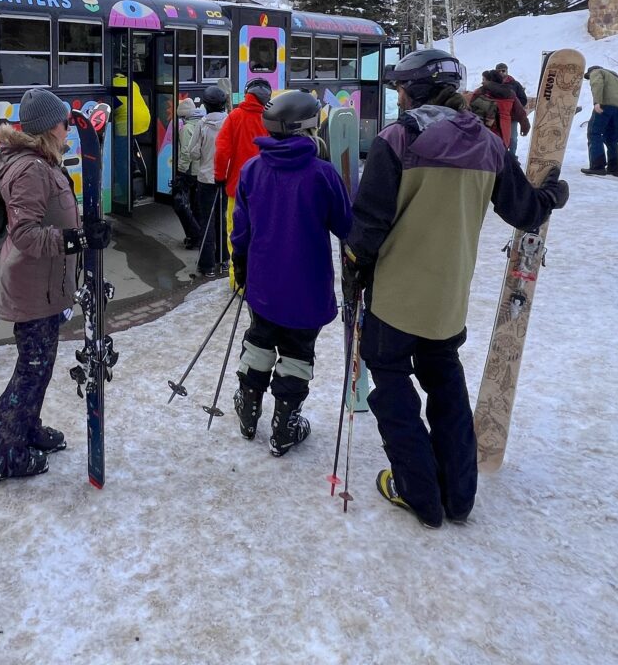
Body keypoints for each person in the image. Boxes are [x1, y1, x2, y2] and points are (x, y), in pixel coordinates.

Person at [343, 50, 568, 529]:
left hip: (395, 299)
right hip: (448, 302)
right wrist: (552, 195)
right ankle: (459, 496)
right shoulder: (488, 146)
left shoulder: (397, 139)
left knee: (392, 385)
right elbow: (526, 211)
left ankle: (419, 493)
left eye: (400, 87)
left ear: (412, 90)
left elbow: (368, 226)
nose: (397, 95)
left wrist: (355, 268)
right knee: (444, 382)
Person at [0, 88, 110, 485]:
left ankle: (25, 429)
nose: (70, 128)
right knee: (31, 371)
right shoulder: (31, 169)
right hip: (32, 289)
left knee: (40, 367)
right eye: (66, 122)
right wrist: (78, 240)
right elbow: (27, 235)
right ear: (52, 126)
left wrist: (82, 231)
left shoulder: (40, 161)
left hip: (44, 287)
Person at [229, 90, 352, 456]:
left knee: (259, 341)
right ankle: (284, 427)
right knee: (297, 353)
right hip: (307, 288)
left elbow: (241, 229)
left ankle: (249, 412)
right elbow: (345, 224)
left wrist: (240, 264)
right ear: (309, 128)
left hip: (264, 284)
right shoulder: (323, 174)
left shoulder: (253, 168)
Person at [214, 77, 272, 286]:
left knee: (235, 235)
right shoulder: (271, 118)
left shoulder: (234, 117)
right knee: (262, 234)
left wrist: (220, 176)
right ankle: (260, 280)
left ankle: (238, 283)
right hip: (266, 189)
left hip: (236, 189)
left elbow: (222, 151)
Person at [189, 85, 230, 279]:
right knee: (222, 218)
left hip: (206, 179)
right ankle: (223, 259)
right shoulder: (230, 122)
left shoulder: (202, 124)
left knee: (207, 221)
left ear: (206, 105)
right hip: (226, 178)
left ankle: (207, 266)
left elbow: (193, 153)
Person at [583, 65, 618, 177]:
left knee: (594, 133)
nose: (590, 78)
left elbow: (597, 84)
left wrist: (597, 102)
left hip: (604, 105)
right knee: (611, 137)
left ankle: (597, 167)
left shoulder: (596, 72)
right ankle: (614, 169)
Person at [172, 96, 204, 249]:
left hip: (189, 172)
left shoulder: (186, 129)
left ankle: (194, 235)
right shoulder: (203, 123)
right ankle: (198, 236)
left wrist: (180, 170)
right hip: (202, 172)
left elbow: (185, 153)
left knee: (181, 204)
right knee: (197, 205)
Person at [494, 63, 530, 155]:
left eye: (503, 70)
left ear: (507, 71)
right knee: (497, 137)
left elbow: (523, 100)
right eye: (499, 71)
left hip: (511, 117)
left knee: (513, 138)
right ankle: (499, 156)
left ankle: (512, 157)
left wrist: (513, 106)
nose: (501, 73)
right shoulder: (493, 84)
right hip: (496, 116)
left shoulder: (515, 84)